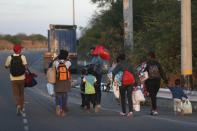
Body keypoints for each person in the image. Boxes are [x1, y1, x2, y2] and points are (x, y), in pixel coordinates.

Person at [5, 44, 28, 116]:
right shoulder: (22, 57)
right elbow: (25, 66)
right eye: (20, 49)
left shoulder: (9, 57)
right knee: (21, 93)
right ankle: (21, 107)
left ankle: (18, 105)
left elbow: (6, 66)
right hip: (22, 78)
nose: (21, 50)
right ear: (19, 50)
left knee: (16, 93)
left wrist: (10, 66)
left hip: (13, 78)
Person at [144, 51, 168, 116]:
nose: (147, 57)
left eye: (148, 56)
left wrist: (142, 81)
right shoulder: (158, 63)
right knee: (154, 95)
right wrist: (165, 80)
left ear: (149, 56)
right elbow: (162, 72)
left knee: (153, 96)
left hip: (150, 81)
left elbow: (143, 73)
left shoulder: (147, 64)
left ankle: (154, 110)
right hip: (157, 81)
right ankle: (153, 109)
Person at [53, 50, 71, 117]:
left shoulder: (55, 62)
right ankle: (63, 109)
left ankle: (58, 106)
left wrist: (56, 58)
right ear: (66, 56)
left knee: (58, 94)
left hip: (57, 80)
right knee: (64, 95)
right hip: (65, 80)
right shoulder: (68, 62)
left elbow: (51, 67)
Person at [89, 47, 104, 112]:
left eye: (92, 51)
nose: (91, 52)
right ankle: (95, 103)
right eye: (91, 51)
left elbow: (94, 68)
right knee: (93, 89)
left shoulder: (98, 59)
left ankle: (98, 103)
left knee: (97, 89)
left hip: (97, 75)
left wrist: (91, 68)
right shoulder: (93, 58)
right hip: (93, 75)